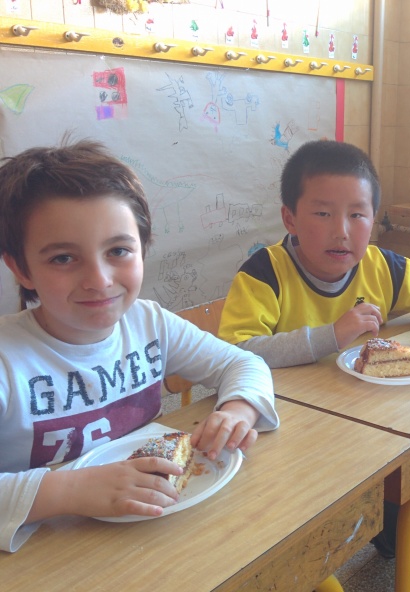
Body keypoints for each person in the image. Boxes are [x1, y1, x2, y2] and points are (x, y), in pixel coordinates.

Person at [0, 139, 279, 554]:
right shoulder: (8, 359)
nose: (99, 280)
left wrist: (238, 410)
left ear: (142, 250)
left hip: (155, 534)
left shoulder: (149, 323)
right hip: (52, 554)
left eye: (118, 251)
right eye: (63, 258)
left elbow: (244, 363)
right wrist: (69, 489)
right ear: (21, 268)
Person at [217, 139, 410, 560]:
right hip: (291, 439)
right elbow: (235, 352)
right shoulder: (264, 274)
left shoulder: (384, 266)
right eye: (322, 213)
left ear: (373, 219)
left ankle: (370, 525)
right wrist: (330, 336)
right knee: (303, 555)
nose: (342, 231)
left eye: (357, 214)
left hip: (374, 433)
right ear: (290, 219)